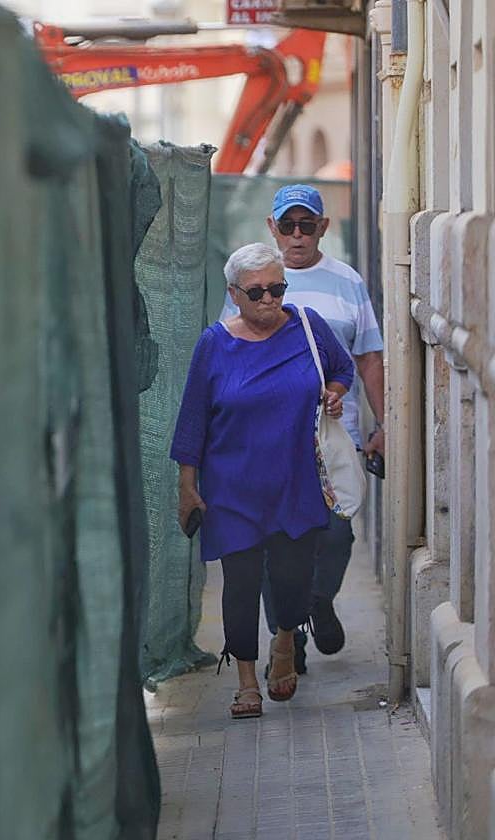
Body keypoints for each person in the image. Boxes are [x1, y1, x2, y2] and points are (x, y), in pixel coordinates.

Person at [173, 243, 354, 718]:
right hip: (232, 486)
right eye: (258, 292)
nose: (270, 300)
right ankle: (246, 682)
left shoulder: (308, 326)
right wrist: (187, 484)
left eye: (277, 289)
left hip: (296, 481)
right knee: (240, 582)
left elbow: (341, 369)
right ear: (235, 294)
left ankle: (286, 639)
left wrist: (334, 395)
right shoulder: (214, 344)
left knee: (293, 578)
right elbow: (193, 419)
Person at [220, 184, 384, 671]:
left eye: (306, 225)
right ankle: (285, 644)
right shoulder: (248, 281)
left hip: (335, 439)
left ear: (322, 229)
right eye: (286, 225)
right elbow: (228, 356)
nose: (296, 235)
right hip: (268, 443)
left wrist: (387, 425)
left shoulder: (348, 282)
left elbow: (369, 358)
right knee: (275, 545)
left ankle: (317, 599)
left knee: (335, 535)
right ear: (271, 228)